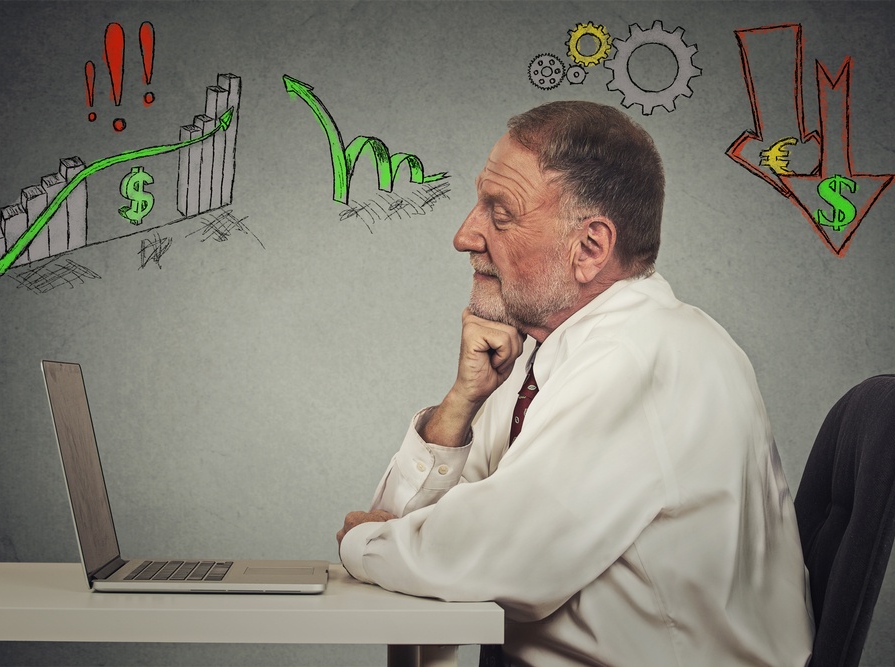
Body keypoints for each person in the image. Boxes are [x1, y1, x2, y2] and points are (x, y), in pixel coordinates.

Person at [336, 101, 814, 666]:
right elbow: (421, 537)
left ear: (589, 249)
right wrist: (462, 402)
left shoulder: (640, 354)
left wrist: (360, 545)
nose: (465, 235)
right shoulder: (547, 357)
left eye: (500, 213)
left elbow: (488, 557)